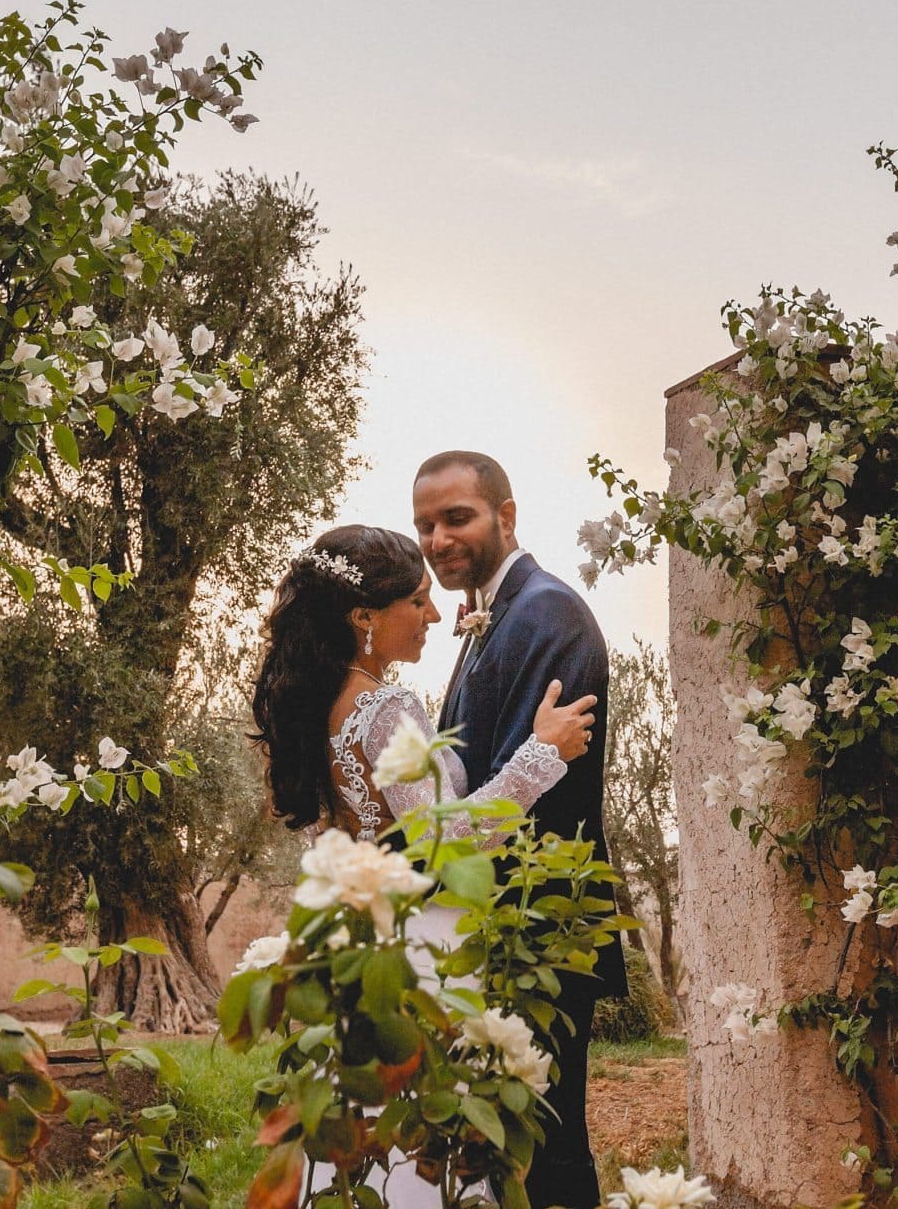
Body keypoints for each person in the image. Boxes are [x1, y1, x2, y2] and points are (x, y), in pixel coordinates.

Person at [249, 523, 597, 1207]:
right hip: (426, 949)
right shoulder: (385, 709)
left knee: (374, 1136)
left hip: (366, 952)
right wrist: (542, 754)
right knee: (430, 1137)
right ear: (364, 618)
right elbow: (450, 837)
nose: (437, 612)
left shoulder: (322, 707)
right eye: (417, 601)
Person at [413, 450, 628, 1209]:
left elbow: (526, 782)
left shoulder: (546, 612)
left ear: (506, 515)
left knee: (549, 1145)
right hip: (497, 925)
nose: (438, 539)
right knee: (510, 1144)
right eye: (424, 525)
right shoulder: (489, 617)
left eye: (456, 517)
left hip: (539, 922)